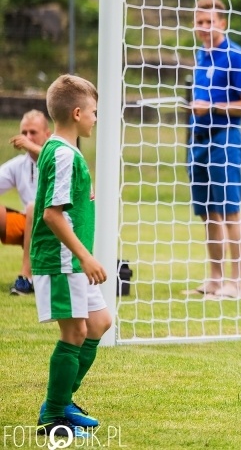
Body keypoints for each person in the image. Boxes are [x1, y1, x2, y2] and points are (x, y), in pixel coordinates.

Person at [31, 74, 112, 438]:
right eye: (94, 112)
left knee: (98, 322)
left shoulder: (62, 148)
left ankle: (61, 401)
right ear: (77, 113)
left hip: (73, 260)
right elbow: (52, 214)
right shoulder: (63, 154)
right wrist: (86, 257)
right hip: (63, 259)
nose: (97, 118)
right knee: (76, 330)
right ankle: (54, 414)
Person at [186, 0, 241, 300]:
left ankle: (236, 283)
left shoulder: (235, 56)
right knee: (208, 214)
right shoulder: (200, 56)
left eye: (210, 22)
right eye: (199, 22)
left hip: (225, 139)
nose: (204, 27)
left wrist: (212, 107)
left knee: (230, 213)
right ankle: (215, 278)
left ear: (222, 23)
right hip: (198, 142)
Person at [0, 110, 51, 295]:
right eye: (24, 133)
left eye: (33, 132)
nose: (27, 137)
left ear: (48, 134)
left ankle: (26, 278)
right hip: (30, 227)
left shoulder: (58, 156)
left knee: (33, 206)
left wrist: (31, 146)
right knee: (29, 209)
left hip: (58, 227)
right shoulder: (19, 164)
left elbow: (52, 157)